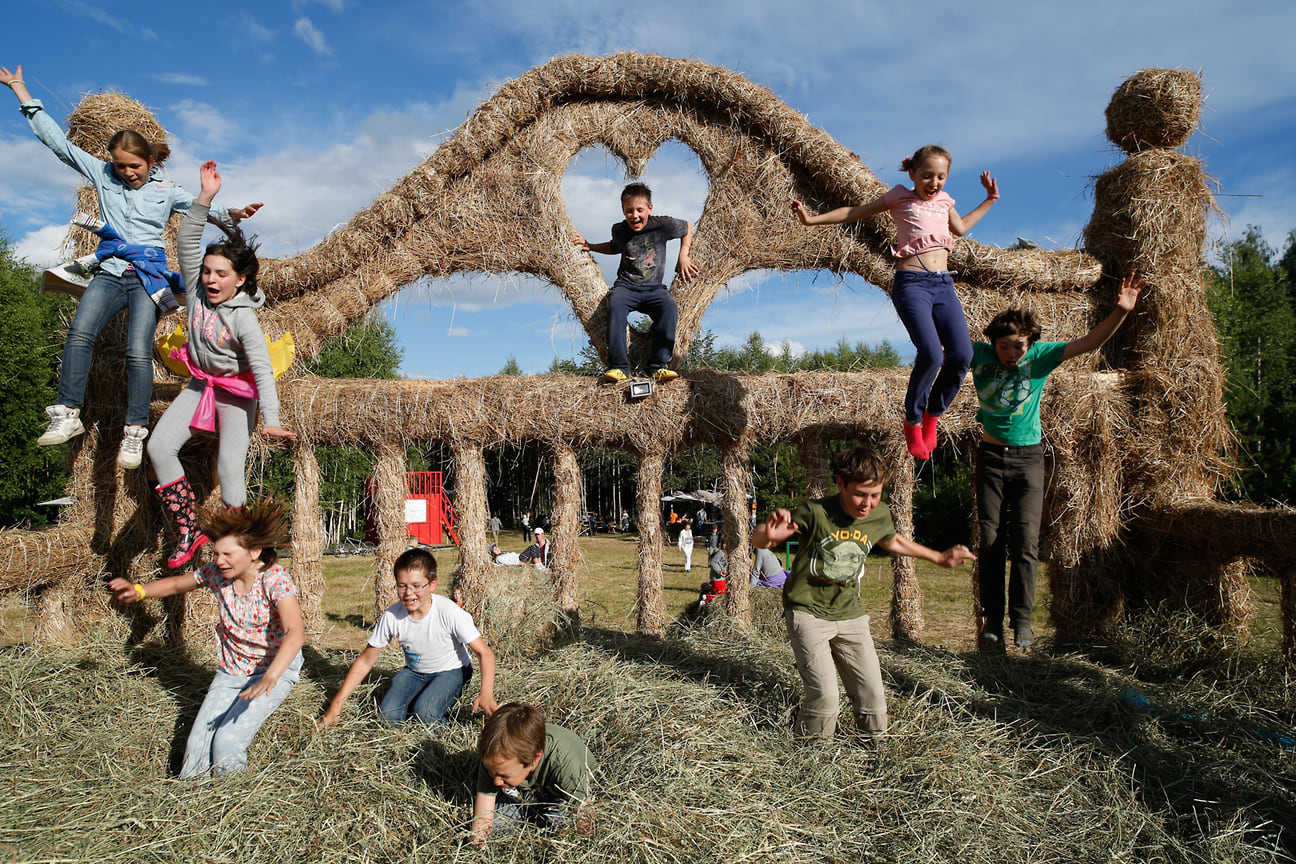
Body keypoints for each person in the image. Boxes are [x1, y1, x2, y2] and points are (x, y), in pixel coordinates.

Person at [0, 65, 261, 469]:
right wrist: (21, 92)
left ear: (151, 161)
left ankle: (134, 432)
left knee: (137, 351)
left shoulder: (166, 190)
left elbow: (200, 209)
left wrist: (233, 213)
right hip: (111, 271)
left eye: (133, 166)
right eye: (120, 166)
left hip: (147, 278)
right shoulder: (103, 176)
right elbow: (58, 145)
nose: (126, 173)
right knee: (80, 333)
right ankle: (67, 412)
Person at [792, 145, 999, 461]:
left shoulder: (945, 203)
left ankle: (933, 416)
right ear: (913, 173)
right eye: (927, 175)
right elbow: (853, 212)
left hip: (943, 285)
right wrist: (811, 220)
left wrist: (989, 199)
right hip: (911, 284)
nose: (934, 182)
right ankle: (913, 420)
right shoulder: (900, 196)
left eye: (941, 177)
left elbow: (961, 228)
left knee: (962, 355)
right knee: (931, 354)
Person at [752, 446, 975, 739]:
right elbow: (762, 538)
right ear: (840, 483)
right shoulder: (816, 512)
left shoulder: (878, 514)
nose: (867, 504)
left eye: (875, 495)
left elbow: (892, 541)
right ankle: (812, 759)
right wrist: (768, 535)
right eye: (859, 494)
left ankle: (875, 752)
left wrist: (938, 557)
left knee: (873, 698)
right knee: (826, 699)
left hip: (850, 614)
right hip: (807, 612)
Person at [973, 273, 1146, 650]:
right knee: (989, 539)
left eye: (1017, 346)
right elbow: (939, 340)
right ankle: (992, 621)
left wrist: (1122, 310)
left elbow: (1089, 342)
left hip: (1028, 459)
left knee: (1025, 541)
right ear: (993, 344)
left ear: (1029, 343)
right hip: (990, 459)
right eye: (1003, 346)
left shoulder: (1039, 357)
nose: (1010, 354)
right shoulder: (978, 355)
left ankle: (1021, 620)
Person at [146, 161, 294, 568]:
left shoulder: (243, 317)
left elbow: (262, 368)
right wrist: (205, 198)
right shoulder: (196, 293)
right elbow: (187, 242)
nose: (210, 279)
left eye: (221, 274)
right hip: (200, 386)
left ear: (240, 279)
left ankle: (240, 550)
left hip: (235, 395)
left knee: (230, 469)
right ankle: (190, 530)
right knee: (158, 446)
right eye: (207, 272)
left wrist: (271, 417)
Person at [106, 499, 303, 778]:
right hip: (233, 669)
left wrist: (271, 677)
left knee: (227, 740)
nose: (219, 560)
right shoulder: (217, 574)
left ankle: (230, 799)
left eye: (227, 554)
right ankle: (193, 805)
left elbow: (296, 631)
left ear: (254, 552)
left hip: (275, 668)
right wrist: (138, 591)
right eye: (216, 553)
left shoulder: (274, 579)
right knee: (197, 749)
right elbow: (176, 583)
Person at [318, 548, 497, 728]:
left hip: (452, 671)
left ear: (432, 584)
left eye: (417, 586)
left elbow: (485, 653)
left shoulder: (449, 612)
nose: (409, 593)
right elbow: (365, 661)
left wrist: (486, 693)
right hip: (415, 672)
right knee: (388, 715)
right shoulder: (392, 617)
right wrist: (336, 705)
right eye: (402, 586)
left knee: (425, 713)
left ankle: (443, 734)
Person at [572, 182, 697, 382]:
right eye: (629, 211)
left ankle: (658, 366)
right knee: (615, 305)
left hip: (654, 289)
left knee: (669, 308)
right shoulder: (619, 229)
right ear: (623, 210)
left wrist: (683, 255)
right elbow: (614, 247)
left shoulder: (662, 224)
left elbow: (687, 227)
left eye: (640, 210)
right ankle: (619, 367)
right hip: (626, 286)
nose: (635, 215)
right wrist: (590, 245)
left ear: (650, 208)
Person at [471, 702, 596, 842]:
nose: (496, 781)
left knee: (555, 827)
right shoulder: (495, 758)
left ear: (535, 758)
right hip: (530, 795)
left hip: (564, 799)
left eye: (504, 776)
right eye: (491, 772)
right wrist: (477, 849)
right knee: (497, 822)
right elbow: (483, 820)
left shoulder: (563, 762)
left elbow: (584, 818)